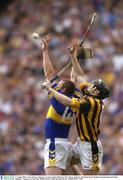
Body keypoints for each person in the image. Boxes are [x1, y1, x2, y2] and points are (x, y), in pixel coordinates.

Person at [42, 38, 110, 175]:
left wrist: (51, 89)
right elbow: (78, 76)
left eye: (60, 84)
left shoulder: (88, 102)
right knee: (70, 167)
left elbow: (51, 76)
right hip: (75, 144)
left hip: (89, 146)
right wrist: (74, 57)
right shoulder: (81, 94)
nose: (90, 85)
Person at [41, 34, 82, 175]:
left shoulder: (59, 98)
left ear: (63, 90)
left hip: (55, 145)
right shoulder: (75, 98)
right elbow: (74, 76)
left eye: (60, 84)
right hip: (65, 145)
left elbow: (49, 73)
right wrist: (73, 55)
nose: (58, 83)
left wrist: (45, 51)